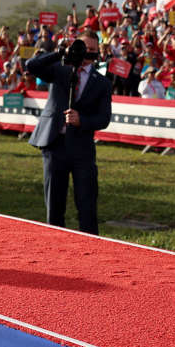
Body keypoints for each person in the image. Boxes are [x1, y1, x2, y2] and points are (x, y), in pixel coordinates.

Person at [26, 34, 113, 234]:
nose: (86, 52)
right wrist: (60, 53)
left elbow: (104, 119)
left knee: (87, 202)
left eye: (91, 49)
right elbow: (31, 65)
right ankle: (56, 243)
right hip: (54, 144)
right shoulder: (59, 70)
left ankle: (90, 245)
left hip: (82, 148)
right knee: (54, 203)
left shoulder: (102, 82)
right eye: (82, 47)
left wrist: (82, 120)